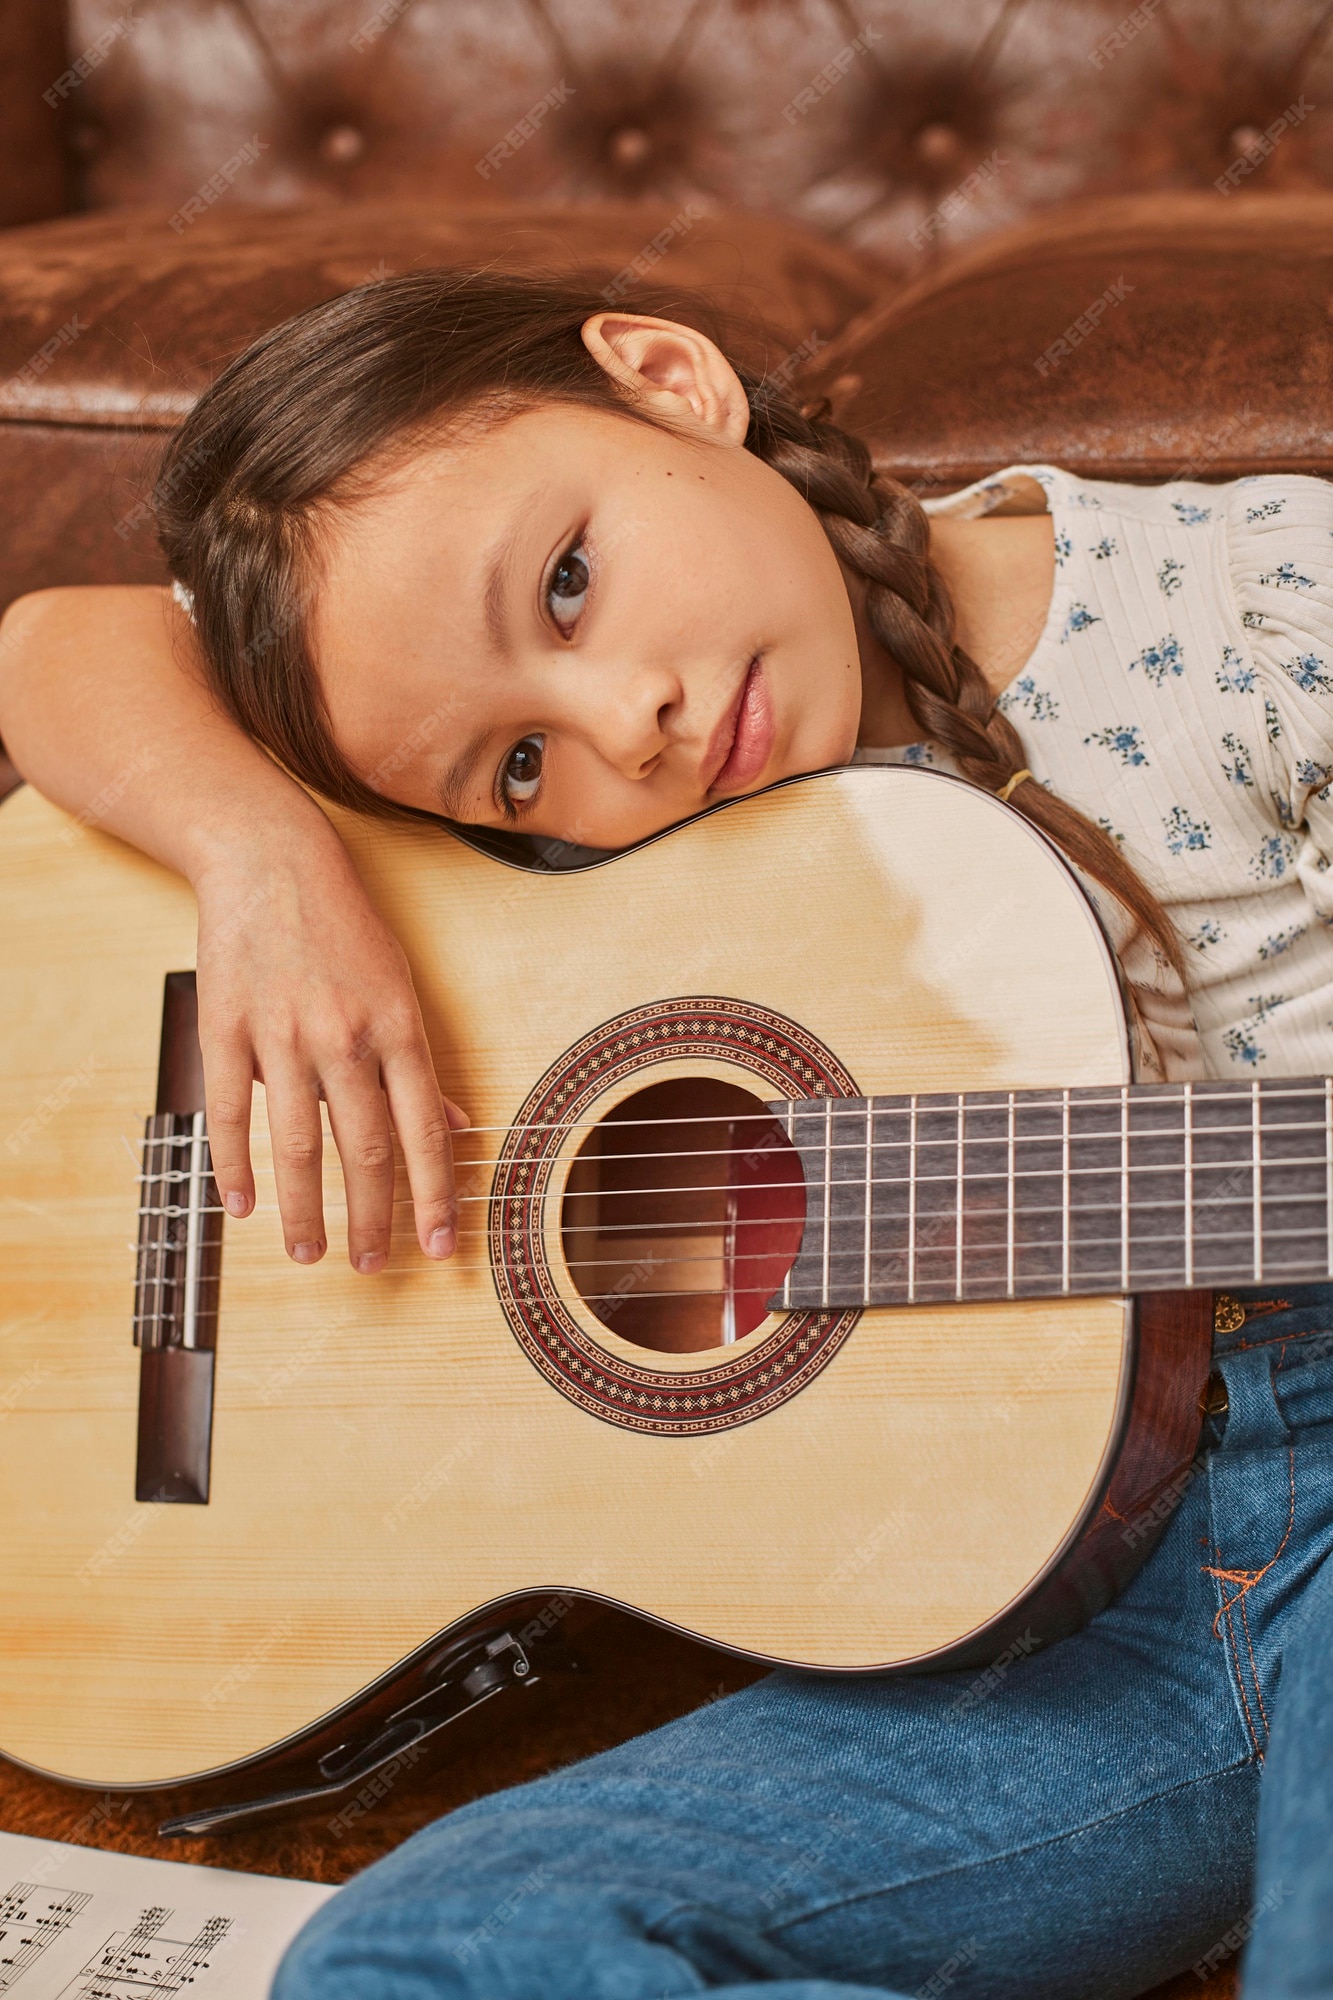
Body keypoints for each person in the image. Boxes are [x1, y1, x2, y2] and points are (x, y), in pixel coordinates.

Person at [0, 272, 1330, 1998]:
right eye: (519, 774)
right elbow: (59, 643)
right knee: (418, 1961)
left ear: (668, 377)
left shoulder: (1260, 608)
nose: (617, 722)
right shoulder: (630, 818)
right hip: (1085, 1632)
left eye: (567, 580)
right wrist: (271, 865)